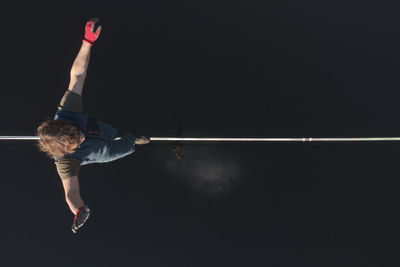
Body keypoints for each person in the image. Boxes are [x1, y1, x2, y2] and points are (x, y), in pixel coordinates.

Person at [36, 18, 150, 234]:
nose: (82, 138)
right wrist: (78, 211)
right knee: (127, 146)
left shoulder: (67, 112)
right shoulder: (64, 162)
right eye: (77, 142)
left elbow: (77, 75)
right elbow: (71, 193)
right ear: (68, 151)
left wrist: (87, 41)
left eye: (78, 134)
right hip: (103, 153)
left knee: (116, 132)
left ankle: (126, 134)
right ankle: (133, 140)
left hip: (101, 129)